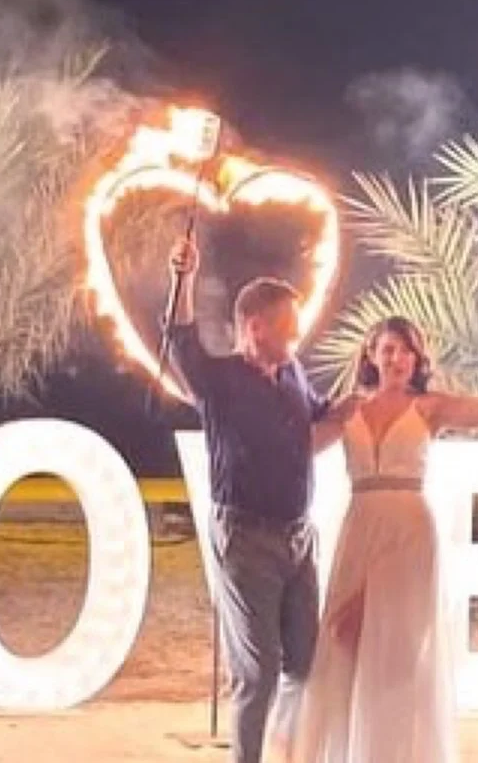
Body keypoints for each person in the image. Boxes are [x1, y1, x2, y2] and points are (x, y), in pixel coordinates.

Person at [288, 315, 478, 763]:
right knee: (344, 640)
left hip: (410, 534)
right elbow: (298, 448)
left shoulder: (429, 407)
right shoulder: (349, 407)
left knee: (399, 650)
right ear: (371, 354)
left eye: (406, 350)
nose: (397, 358)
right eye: (388, 349)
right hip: (360, 526)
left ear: (417, 358)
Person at [164, 235, 349, 763]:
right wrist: (186, 275)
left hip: (298, 538)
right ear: (255, 327)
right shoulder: (219, 380)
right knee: (259, 671)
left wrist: (362, 406)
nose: (297, 329)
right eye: (287, 321)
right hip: (246, 538)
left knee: (304, 663)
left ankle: (289, 753)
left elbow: (320, 420)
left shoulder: (292, 373)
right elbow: (179, 338)